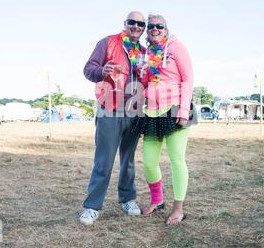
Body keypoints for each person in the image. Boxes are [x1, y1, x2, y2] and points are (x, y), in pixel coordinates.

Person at [79, 11, 147, 225]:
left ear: (143, 28)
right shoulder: (108, 43)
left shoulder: (145, 52)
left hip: (134, 112)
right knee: (104, 160)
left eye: (140, 24)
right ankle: (92, 206)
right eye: (132, 22)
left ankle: (128, 199)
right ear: (125, 24)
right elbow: (88, 69)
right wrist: (102, 70)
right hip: (110, 109)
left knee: (128, 161)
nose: (136, 26)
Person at [133, 14, 195, 225]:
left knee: (177, 159)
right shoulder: (148, 52)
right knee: (149, 162)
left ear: (166, 29)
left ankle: (178, 209)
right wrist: (141, 73)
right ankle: (157, 200)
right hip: (152, 112)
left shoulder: (177, 46)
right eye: (151, 26)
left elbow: (188, 78)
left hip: (175, 108)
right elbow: (147, 81)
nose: (154, 29)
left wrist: (184, 110)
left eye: (159, 26)